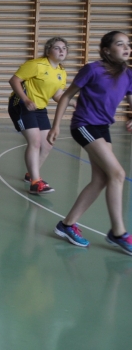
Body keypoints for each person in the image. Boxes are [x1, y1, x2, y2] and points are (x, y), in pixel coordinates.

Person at [49, 31, 132, 255]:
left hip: (103, 128)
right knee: (117, 174)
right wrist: (56, 126)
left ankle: (66, 225)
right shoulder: (92, 70)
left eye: (128, 44)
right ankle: (119, 233)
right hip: (84, 125)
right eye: (120, 44)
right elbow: (66, 96)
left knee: (101, 179)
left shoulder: (128, 74)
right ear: (107, 50)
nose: (126, 48)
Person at [8, 37, 70, 195]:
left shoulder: (62, 72)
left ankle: (31, 174)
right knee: (34, 141)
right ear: (48, 51)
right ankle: (36, 182)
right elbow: (14, 80)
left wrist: (74, 103)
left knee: (47, 144)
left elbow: (57, 95)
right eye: (57, 48)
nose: (62, 51)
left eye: (64, 48)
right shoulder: (36, 65)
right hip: (21, 104)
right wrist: (25, 99)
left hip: (40, 108)